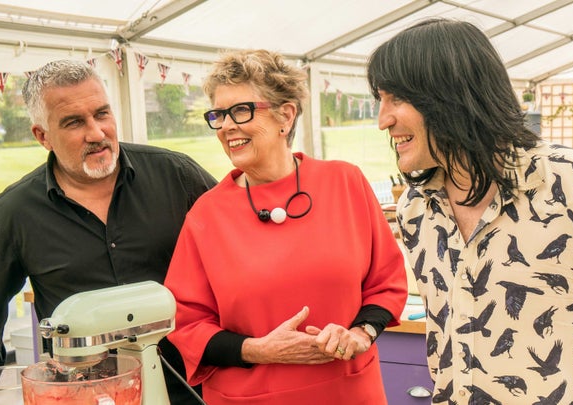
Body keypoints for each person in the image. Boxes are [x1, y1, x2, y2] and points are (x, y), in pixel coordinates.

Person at [367, 18, 573, 404]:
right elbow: (443, 334)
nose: (383, 120)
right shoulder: (416, 208)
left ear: (448, 94)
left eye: (396, 99)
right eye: (379, 100)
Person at [0, 59, 217, 404]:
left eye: (102, 114)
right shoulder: (13, 212)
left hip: (195, 386)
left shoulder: (177, 175)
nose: (96, 133)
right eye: (74, 123)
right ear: (42, 136)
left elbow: (239, 249)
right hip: (84, 393)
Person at [164, 49, 408, 404]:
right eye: (219, 115)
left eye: (241, 111)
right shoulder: (206, 215)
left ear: (286, 115)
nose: (227, 126)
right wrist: (257, 349)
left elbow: (386, 281)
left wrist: (360, 333)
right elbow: (187, 324)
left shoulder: (345, 182)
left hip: (348, 390)